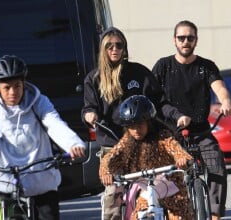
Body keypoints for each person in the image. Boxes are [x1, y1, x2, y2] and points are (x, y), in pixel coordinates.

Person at [0, 55, 85, 220]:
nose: (13, 92)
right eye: (7, 87)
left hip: (41, 184)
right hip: (5, 185)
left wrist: (73, 144)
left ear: (24, 83)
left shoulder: (39, 103)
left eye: (17, 86)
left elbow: (55, 124)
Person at [81, 26, 191, 220]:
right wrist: (89, 114)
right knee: (113, 198)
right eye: (109, 46)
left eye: (119, 45)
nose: (114, 49)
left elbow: (160, 101)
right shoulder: (94, 78)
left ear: (124, 48)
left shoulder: (139, 72)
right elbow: (88, 107)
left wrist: (177, 116)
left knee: (169, 191)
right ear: (103, 50)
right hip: (113, 143)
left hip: (144, 144)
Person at [152, 20, 231, 220]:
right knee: (164, 176)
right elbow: (152, 97)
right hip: (171, 134)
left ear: (196, 40)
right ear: (174, 41)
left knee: (217, 165)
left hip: (202, 131)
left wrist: (225, 101)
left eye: (190, 37)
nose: (185, 41)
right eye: (181, 38)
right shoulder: (163, 66)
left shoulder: (206, 66)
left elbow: (219, 87)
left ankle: (214, 215)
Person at [99, 95, 194, 220]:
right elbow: (111, 157)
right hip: (146, 188)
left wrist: (182, 159)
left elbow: (176, 149)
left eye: (140, 125)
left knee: (180, 216)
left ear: (149, 122)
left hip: (172, 187)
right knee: (137, 215)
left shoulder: (162, 136)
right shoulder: (127, 141)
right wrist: (106, 172)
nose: (136, 130)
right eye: (131, 126)